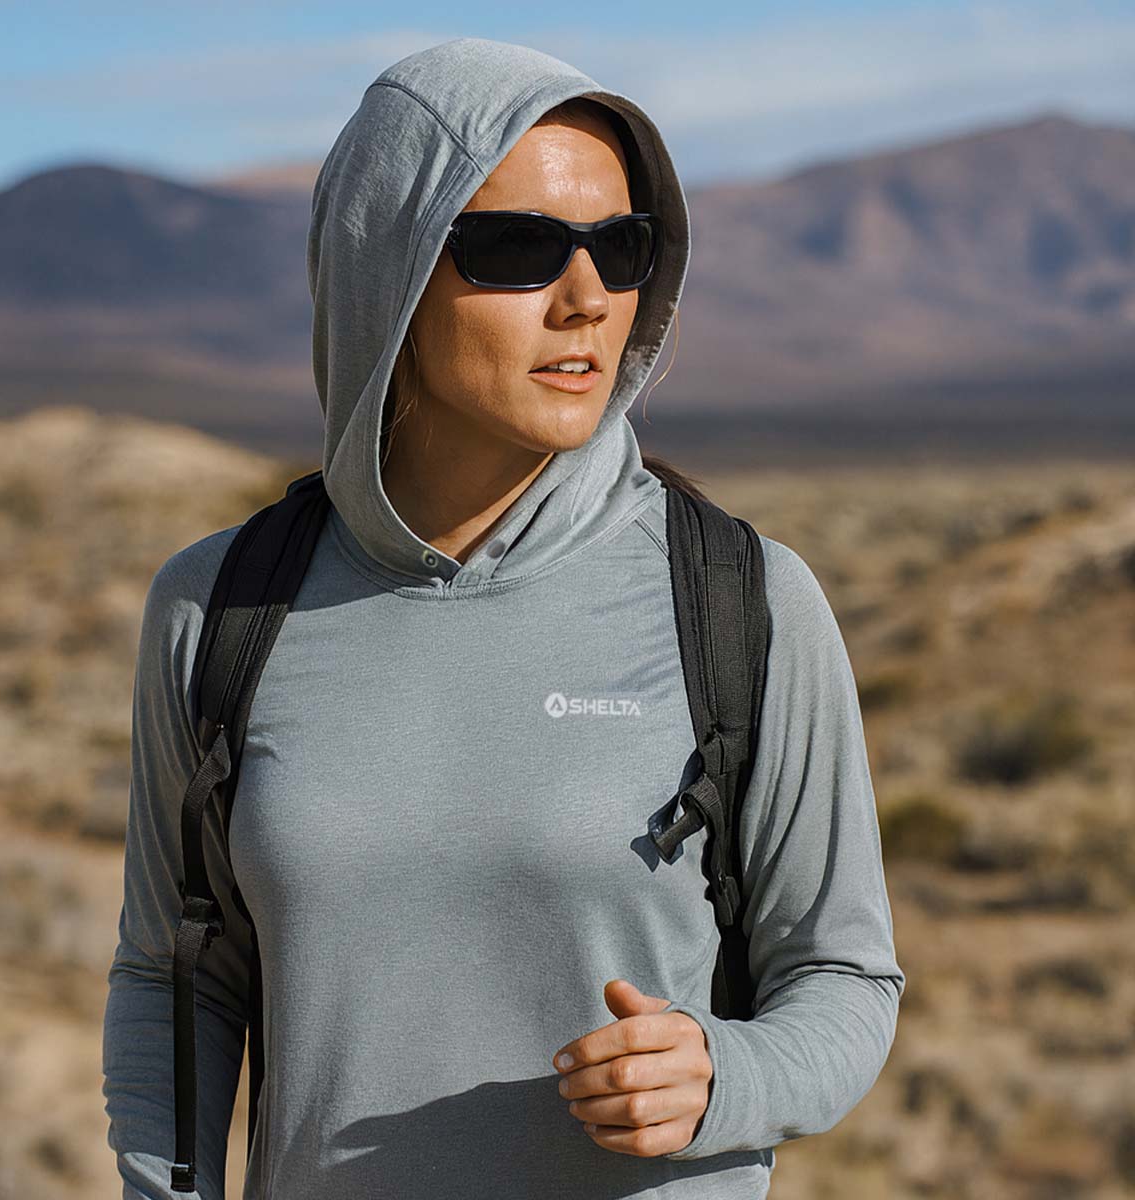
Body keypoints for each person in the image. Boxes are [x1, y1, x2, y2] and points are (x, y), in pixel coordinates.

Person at [102, 36, 905, 1200]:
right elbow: (177, 976)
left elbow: (844, 980)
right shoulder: (219, 607)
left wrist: (724, 1075)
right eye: (519, 249)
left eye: (620, 248)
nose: (588, 299)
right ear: (389, 272)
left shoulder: (745, 601)